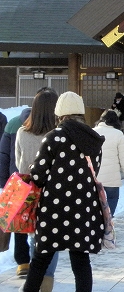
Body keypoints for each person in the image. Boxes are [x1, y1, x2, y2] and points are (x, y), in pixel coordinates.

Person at [22, 91, 105, 292]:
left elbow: (39, 174)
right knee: (81, 262)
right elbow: (94, 172)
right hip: (84, 207)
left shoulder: (53, 138)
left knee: (41, 260)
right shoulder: (94, 140)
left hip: (54, 209)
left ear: (59, 113)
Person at [0, 107, 32, 279]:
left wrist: (4, 182)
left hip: (17, 181)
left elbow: (3, 154)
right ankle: (40, 261)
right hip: (41, 182)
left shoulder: (13, 124)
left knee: (20, 222)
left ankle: (23, 262)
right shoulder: (49, 123)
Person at [94, 109, 124, 216]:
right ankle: (109, 220)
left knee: (96, 201)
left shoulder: (92, 132)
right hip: (112, 176)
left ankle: (98, 222)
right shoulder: (118, 134)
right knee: (112, 198)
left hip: (95, 175)